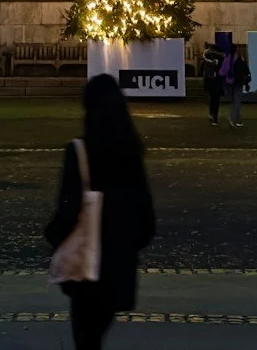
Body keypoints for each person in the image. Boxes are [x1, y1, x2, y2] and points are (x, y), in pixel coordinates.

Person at [45, 73, 157, 350]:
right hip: (118, 269)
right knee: (94, 337)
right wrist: (125, 245)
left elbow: (68, 212)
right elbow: (146, 221)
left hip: (86, 269)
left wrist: (53, 237)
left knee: (86, 339)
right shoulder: (131, 152)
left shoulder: (80, 150)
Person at [204, 33, 235, 127]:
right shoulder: (222, 57)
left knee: (212, 98)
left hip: (209, 80)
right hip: (217, 80)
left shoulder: (207, 55)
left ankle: (211, 113)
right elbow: (224, 69)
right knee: (216, 99)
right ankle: (215, 117)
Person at [217, 33, 247, 127]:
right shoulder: (240, 58)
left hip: (229, 83)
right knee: (237, 102)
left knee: (234, 101)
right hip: (239, 82)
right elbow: (245, 70)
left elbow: (222, 72)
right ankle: (233, 118)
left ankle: (238, 119)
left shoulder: (227, 59)